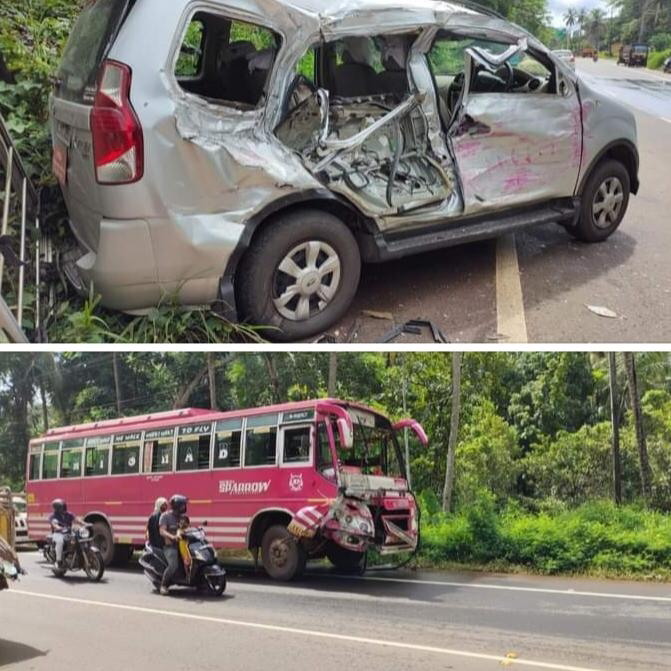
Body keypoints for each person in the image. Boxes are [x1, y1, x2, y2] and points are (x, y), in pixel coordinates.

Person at [158, 494, 187, 595]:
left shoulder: (183, 518)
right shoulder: (165, 516)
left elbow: (185, 529)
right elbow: (162, 531)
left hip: (183, 546)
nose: (184, 507)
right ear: (177, 506)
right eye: (182, 505)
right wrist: (172, 537)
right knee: (173, 565)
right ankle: (163, 585)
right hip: (170, 546)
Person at [48, 499, 86, 567]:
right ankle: (58, 560)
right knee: (60, 542)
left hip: (68, 532)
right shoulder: (53, 516)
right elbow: (54, 523)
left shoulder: (69, 514)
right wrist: (58, 527)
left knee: (80, 538)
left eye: (64, 506)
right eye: (62, 506)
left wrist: (84, 523)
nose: (64, 508)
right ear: (57, 508)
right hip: (58, 533)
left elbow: (76, 519)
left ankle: (78, 555)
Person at [177, 516, 193, 581]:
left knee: (191, 560)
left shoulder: (189, 528)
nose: (183, 523)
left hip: (190, 546)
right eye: (181, 521)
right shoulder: (179, 530)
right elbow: (178, 535)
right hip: (183, 546)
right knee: (186, 562)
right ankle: (187, 575)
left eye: (184, 521)